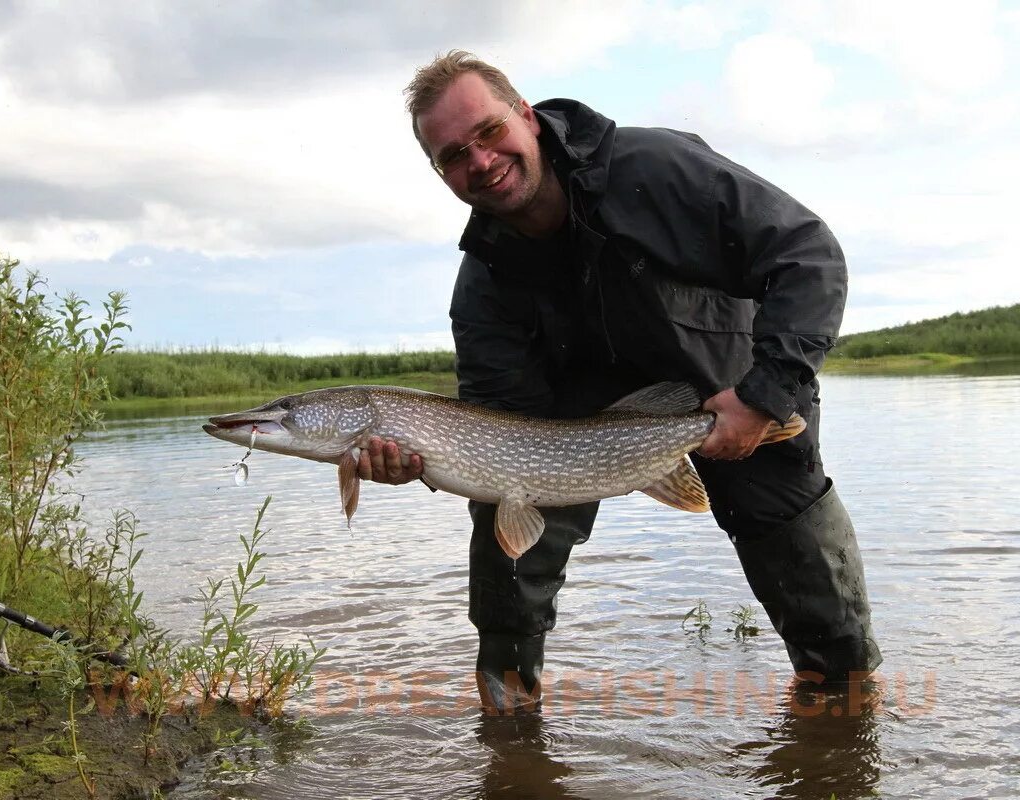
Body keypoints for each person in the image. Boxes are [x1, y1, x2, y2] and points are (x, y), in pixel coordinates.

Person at [361, 50, 881, 713]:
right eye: (453, 156)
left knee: (804, 568)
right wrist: (428, 461)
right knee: (508, 557)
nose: (481, 162)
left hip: (730, 384)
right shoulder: (483, 285)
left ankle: (844, 725)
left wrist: (765, 394)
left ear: (527, 116)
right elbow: (492, 422)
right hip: (564, 424)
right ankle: (510, 732)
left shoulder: (654, 170)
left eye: (489, 132)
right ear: (441, 173)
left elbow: (807, 255)